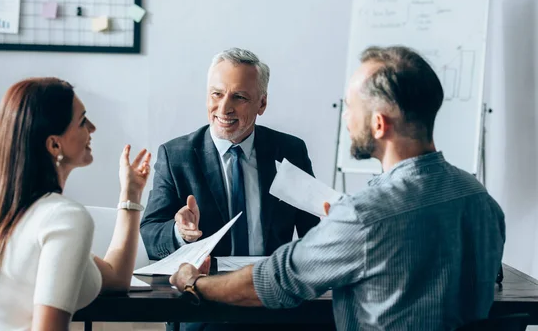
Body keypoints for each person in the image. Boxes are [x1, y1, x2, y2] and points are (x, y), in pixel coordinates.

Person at [169, 46, 506, 330]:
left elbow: (273, 283)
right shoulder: (482, 201)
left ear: (378, 124)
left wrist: (194, 282)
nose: (345, 118)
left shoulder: (362, 215)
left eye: (349, 106)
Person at [0, 78, 151, 331]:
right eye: (82, 121)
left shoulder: (9, 214)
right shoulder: (64, 217)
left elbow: (115, 278)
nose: (93, 128)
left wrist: (131, 193)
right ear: (54, 144)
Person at [141, 48, 319, 261]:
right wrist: (179, 233)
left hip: (271, 283)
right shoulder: (176, 157)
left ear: (262, 103)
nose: (224, 108)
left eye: (239, 97)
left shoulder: (290, 151)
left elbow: (314, 232)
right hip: (206, 285)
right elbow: (150, 237)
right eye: (217, 94)